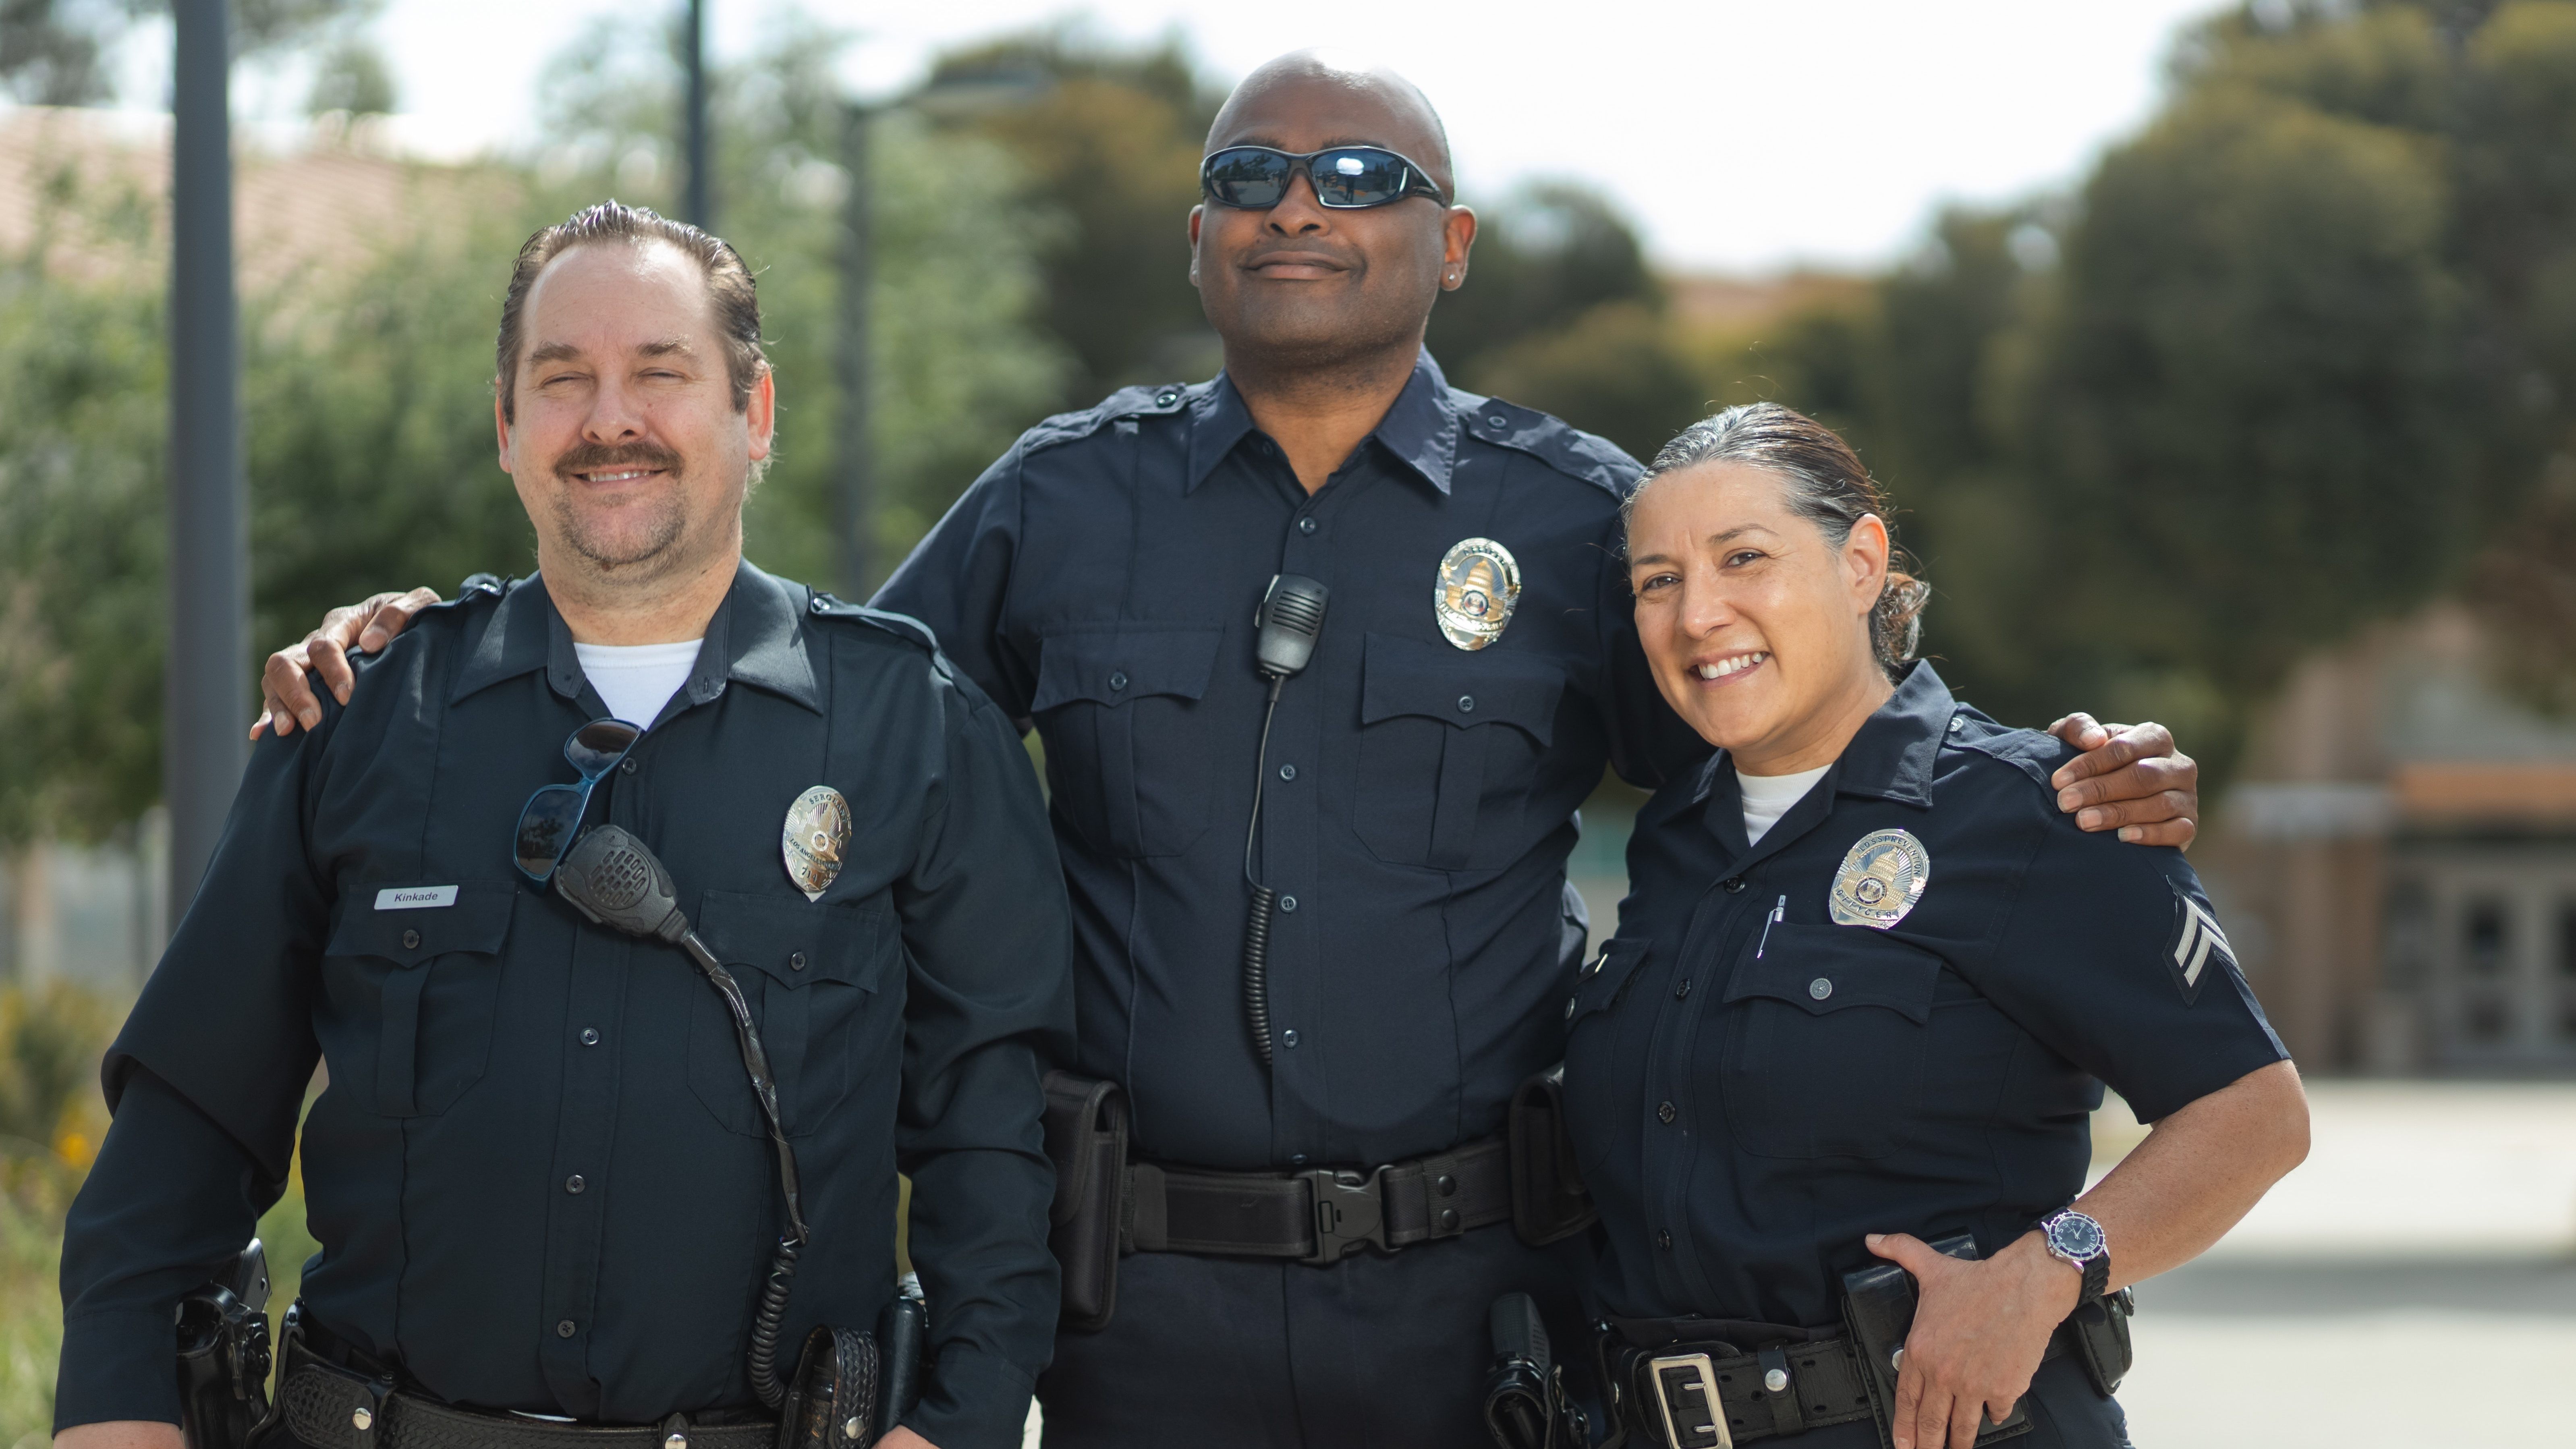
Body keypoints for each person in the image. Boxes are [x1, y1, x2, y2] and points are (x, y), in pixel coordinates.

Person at [251, 54, 2204, 1449]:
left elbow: (1786, 741)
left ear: (1451, 243)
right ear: (1199, 237)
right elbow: (788, 707)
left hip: (1490, 1314)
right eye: (1253, 175)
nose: (1299, 204)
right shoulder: (1058, 506)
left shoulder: (1573, 522)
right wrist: (451, 639)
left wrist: (2049, 775)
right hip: (1140, 1317)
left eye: (1360, 180)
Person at [56, 203, 1072, 1449]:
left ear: (753, 416)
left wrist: (958, 1424)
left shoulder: (912, 731)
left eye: (661, 372)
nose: (609, 420)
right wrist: (117, 1414)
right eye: (562, 380)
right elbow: (189, 1118)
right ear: (505, 427)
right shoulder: (356, 719)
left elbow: (994, 1140)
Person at [1570, 402, 2309, 1449]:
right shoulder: (1675, 840)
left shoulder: (2035, 809)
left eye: (1744, 558)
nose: (1697, 614)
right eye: (1658, 580)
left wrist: (2048, 1271)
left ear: (1860, 562)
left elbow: (2252, 1116)